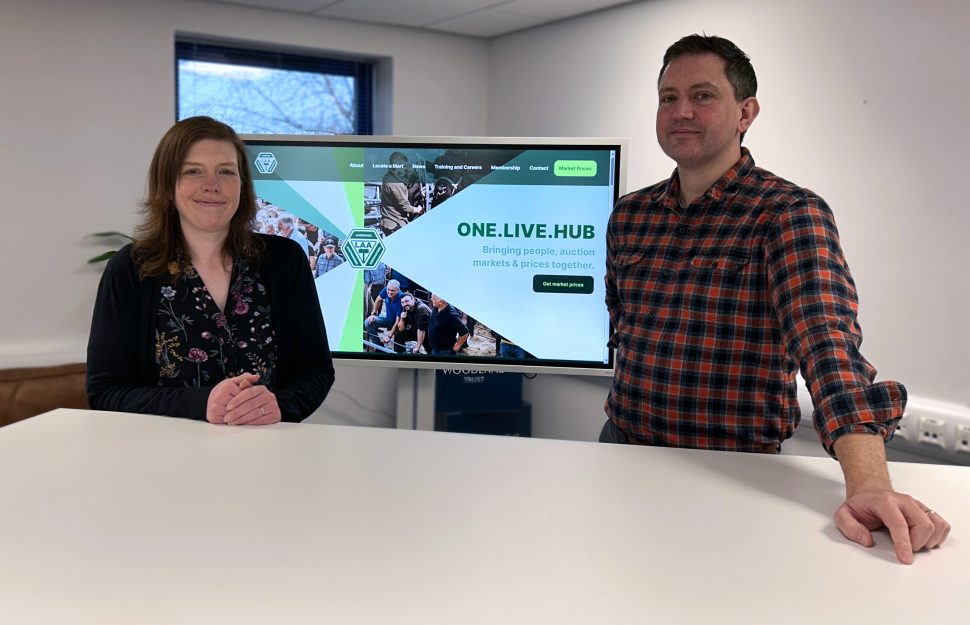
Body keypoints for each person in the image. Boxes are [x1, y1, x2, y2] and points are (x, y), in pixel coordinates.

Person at [604, 34, 949, 564]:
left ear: (746, 112)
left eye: (702, 95)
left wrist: (868, 485)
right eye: (668, 98)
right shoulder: (630, 215)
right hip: (620, 450)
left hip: (733, 471)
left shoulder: (787, 213)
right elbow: (622, 327)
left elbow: (827, 342)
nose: (681, 111)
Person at [86, 116, 335, 425]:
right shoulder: (130, 269)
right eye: (193, 171)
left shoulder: (285, 261)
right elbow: (106, 392)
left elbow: (316, 370)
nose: (212, 185)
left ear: (242, 185)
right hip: (163, 459)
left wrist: (280, 405)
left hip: (269, 453)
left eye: (226, 172)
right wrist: (202, 403)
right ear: (167, 185)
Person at [379, 151, 424, 236]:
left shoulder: (387, 176)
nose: (405, 168)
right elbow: (405, 207)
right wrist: (419, 210)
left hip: (388, 221)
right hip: (395, 224)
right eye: (403, 166)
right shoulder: (396, 184)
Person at [364, 278, 403, 350]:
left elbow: (398, 321)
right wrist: (373, 314)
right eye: (389, 289)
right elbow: (379, 299)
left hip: (397, 324)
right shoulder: (386, 290)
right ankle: (379, 347)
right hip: (387, 317)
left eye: (393, 291)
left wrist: (389, 336)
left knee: (398, 345)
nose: (390, 292)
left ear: (398, 290)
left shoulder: (401, 298)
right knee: (368, 322)